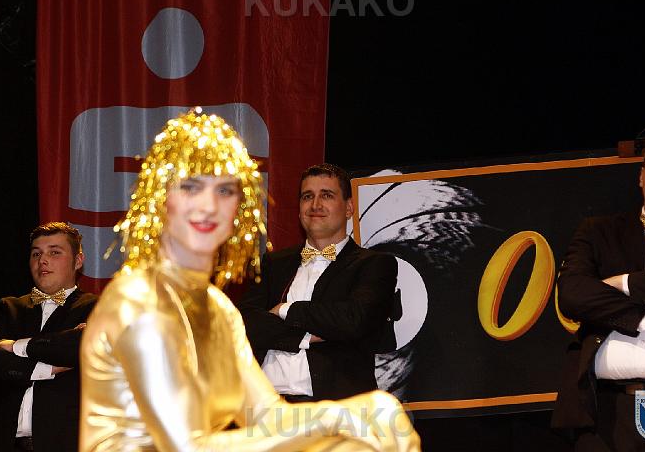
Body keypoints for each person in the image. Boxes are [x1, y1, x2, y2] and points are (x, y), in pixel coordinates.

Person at [79, 108, 420, 451]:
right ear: (160, 199)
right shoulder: (139, 300)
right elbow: (185, 448)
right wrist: (337, 420)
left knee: (374, 433)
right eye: (191, 187)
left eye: (224, 190)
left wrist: (360, 413)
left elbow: (269, 418)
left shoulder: (219, 309)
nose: (208, 205)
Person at [553, 131, 645, 450]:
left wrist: (624, 283)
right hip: (604, 413)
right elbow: (572, 294)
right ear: (641, 176)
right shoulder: (599, 231)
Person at [238, 163, 398, 401]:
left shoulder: (375, 264)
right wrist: (306, 336)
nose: (315, 205)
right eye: (307, 196)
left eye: (327, 195)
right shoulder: (274, 263)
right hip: (264, 404)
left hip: (337, 407)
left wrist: (284, 310)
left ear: (349, 208)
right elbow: (244, 324)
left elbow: (353, 321)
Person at [0, 222, 97, 452]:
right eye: (36, 253)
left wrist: (17, 347)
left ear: (78, 261)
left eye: (54, 252)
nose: (43, 260)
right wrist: (45, 368)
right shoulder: (10, 307)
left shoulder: (97, 306)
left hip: (66, 445)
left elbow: (79, 346)